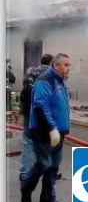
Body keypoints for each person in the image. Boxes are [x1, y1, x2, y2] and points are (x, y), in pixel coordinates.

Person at [20, 53, 71, 202]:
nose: (69, 68)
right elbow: (41, 106)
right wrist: (52, 128)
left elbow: (61, 107)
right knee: (43, 163)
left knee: (53, 166)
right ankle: (26, 189)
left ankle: (48, 198)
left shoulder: (60, 82)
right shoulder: (45, 80)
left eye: (69, 65)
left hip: (58, 133)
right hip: (44, 132)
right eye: (66, 65)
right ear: (55, 66)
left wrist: (63, 129)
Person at [19, 54, 54, 182]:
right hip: (41, 115)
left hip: (28, 112)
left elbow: (24, 90)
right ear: (51, 63)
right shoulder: (50, 76)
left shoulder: (30, 72)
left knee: (27, 142)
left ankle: (25, 173)